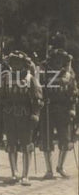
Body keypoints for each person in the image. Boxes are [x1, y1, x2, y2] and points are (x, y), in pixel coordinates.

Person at [0, 50, 43, 186]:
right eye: (13, 63)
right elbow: (0, 95)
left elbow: (38, 99)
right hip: (9, 115)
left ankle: (25, 175)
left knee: (26, 145)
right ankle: (14, 173)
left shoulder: (30, 78)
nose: (15, 65)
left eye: (18, 62)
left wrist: (36, 114)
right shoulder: (5, 78)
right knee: (11, 144)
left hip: (25, 116)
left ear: (24, 64)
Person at [39, 48, 77, 179]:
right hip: (47, 111)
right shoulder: (44, 74)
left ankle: (60, 166)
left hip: (63, 111)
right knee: (47, 139)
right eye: (55, 60)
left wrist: (72, 109)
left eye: (60, 60)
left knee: (65, 139)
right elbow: (38, 91)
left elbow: (73, 94)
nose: (57, 62)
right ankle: (49, 170)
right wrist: (42, 100)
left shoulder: (69, 75)